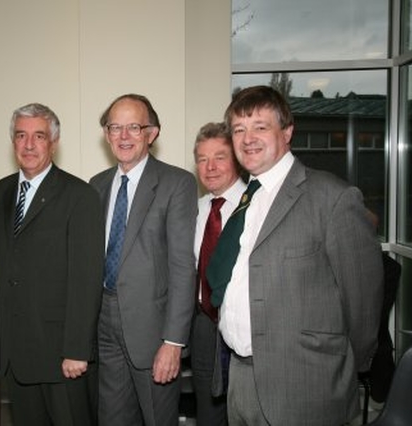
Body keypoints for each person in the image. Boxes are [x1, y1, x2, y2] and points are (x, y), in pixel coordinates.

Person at [207, 85, 383, 425]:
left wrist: (346, 368)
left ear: (287, 131)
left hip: (305, 386)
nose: (247, 138)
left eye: (260, 126)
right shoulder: (247, 199)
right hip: (240, 380)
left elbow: (363, 301)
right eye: (239, 130)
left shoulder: (332, 198)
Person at [0, 103, 104, 426]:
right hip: (15, 355)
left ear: (53, 142)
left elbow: (87, 278)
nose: (28, 145)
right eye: (21, 135)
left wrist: (77, 349)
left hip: (61, 356)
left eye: (38, 136)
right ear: (13, 141)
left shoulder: (79, 196)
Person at [89, 94, 198, 426]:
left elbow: (183, 268)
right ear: (106, 134)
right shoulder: (97, 185)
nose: (123, 136)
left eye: (133, 127)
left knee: (157, 419)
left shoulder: (177, 184)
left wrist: (173, 341)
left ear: (152, 133)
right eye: (115, 127)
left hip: (153, 332)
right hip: (104, 324)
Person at [190, 122, 246, 426]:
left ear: (236, 159)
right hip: (204, 329)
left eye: (220, 157)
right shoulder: (193, 210)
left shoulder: (257, 206)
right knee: (209, 415)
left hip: (246, 331)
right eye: (202, 159)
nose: (210, 167)